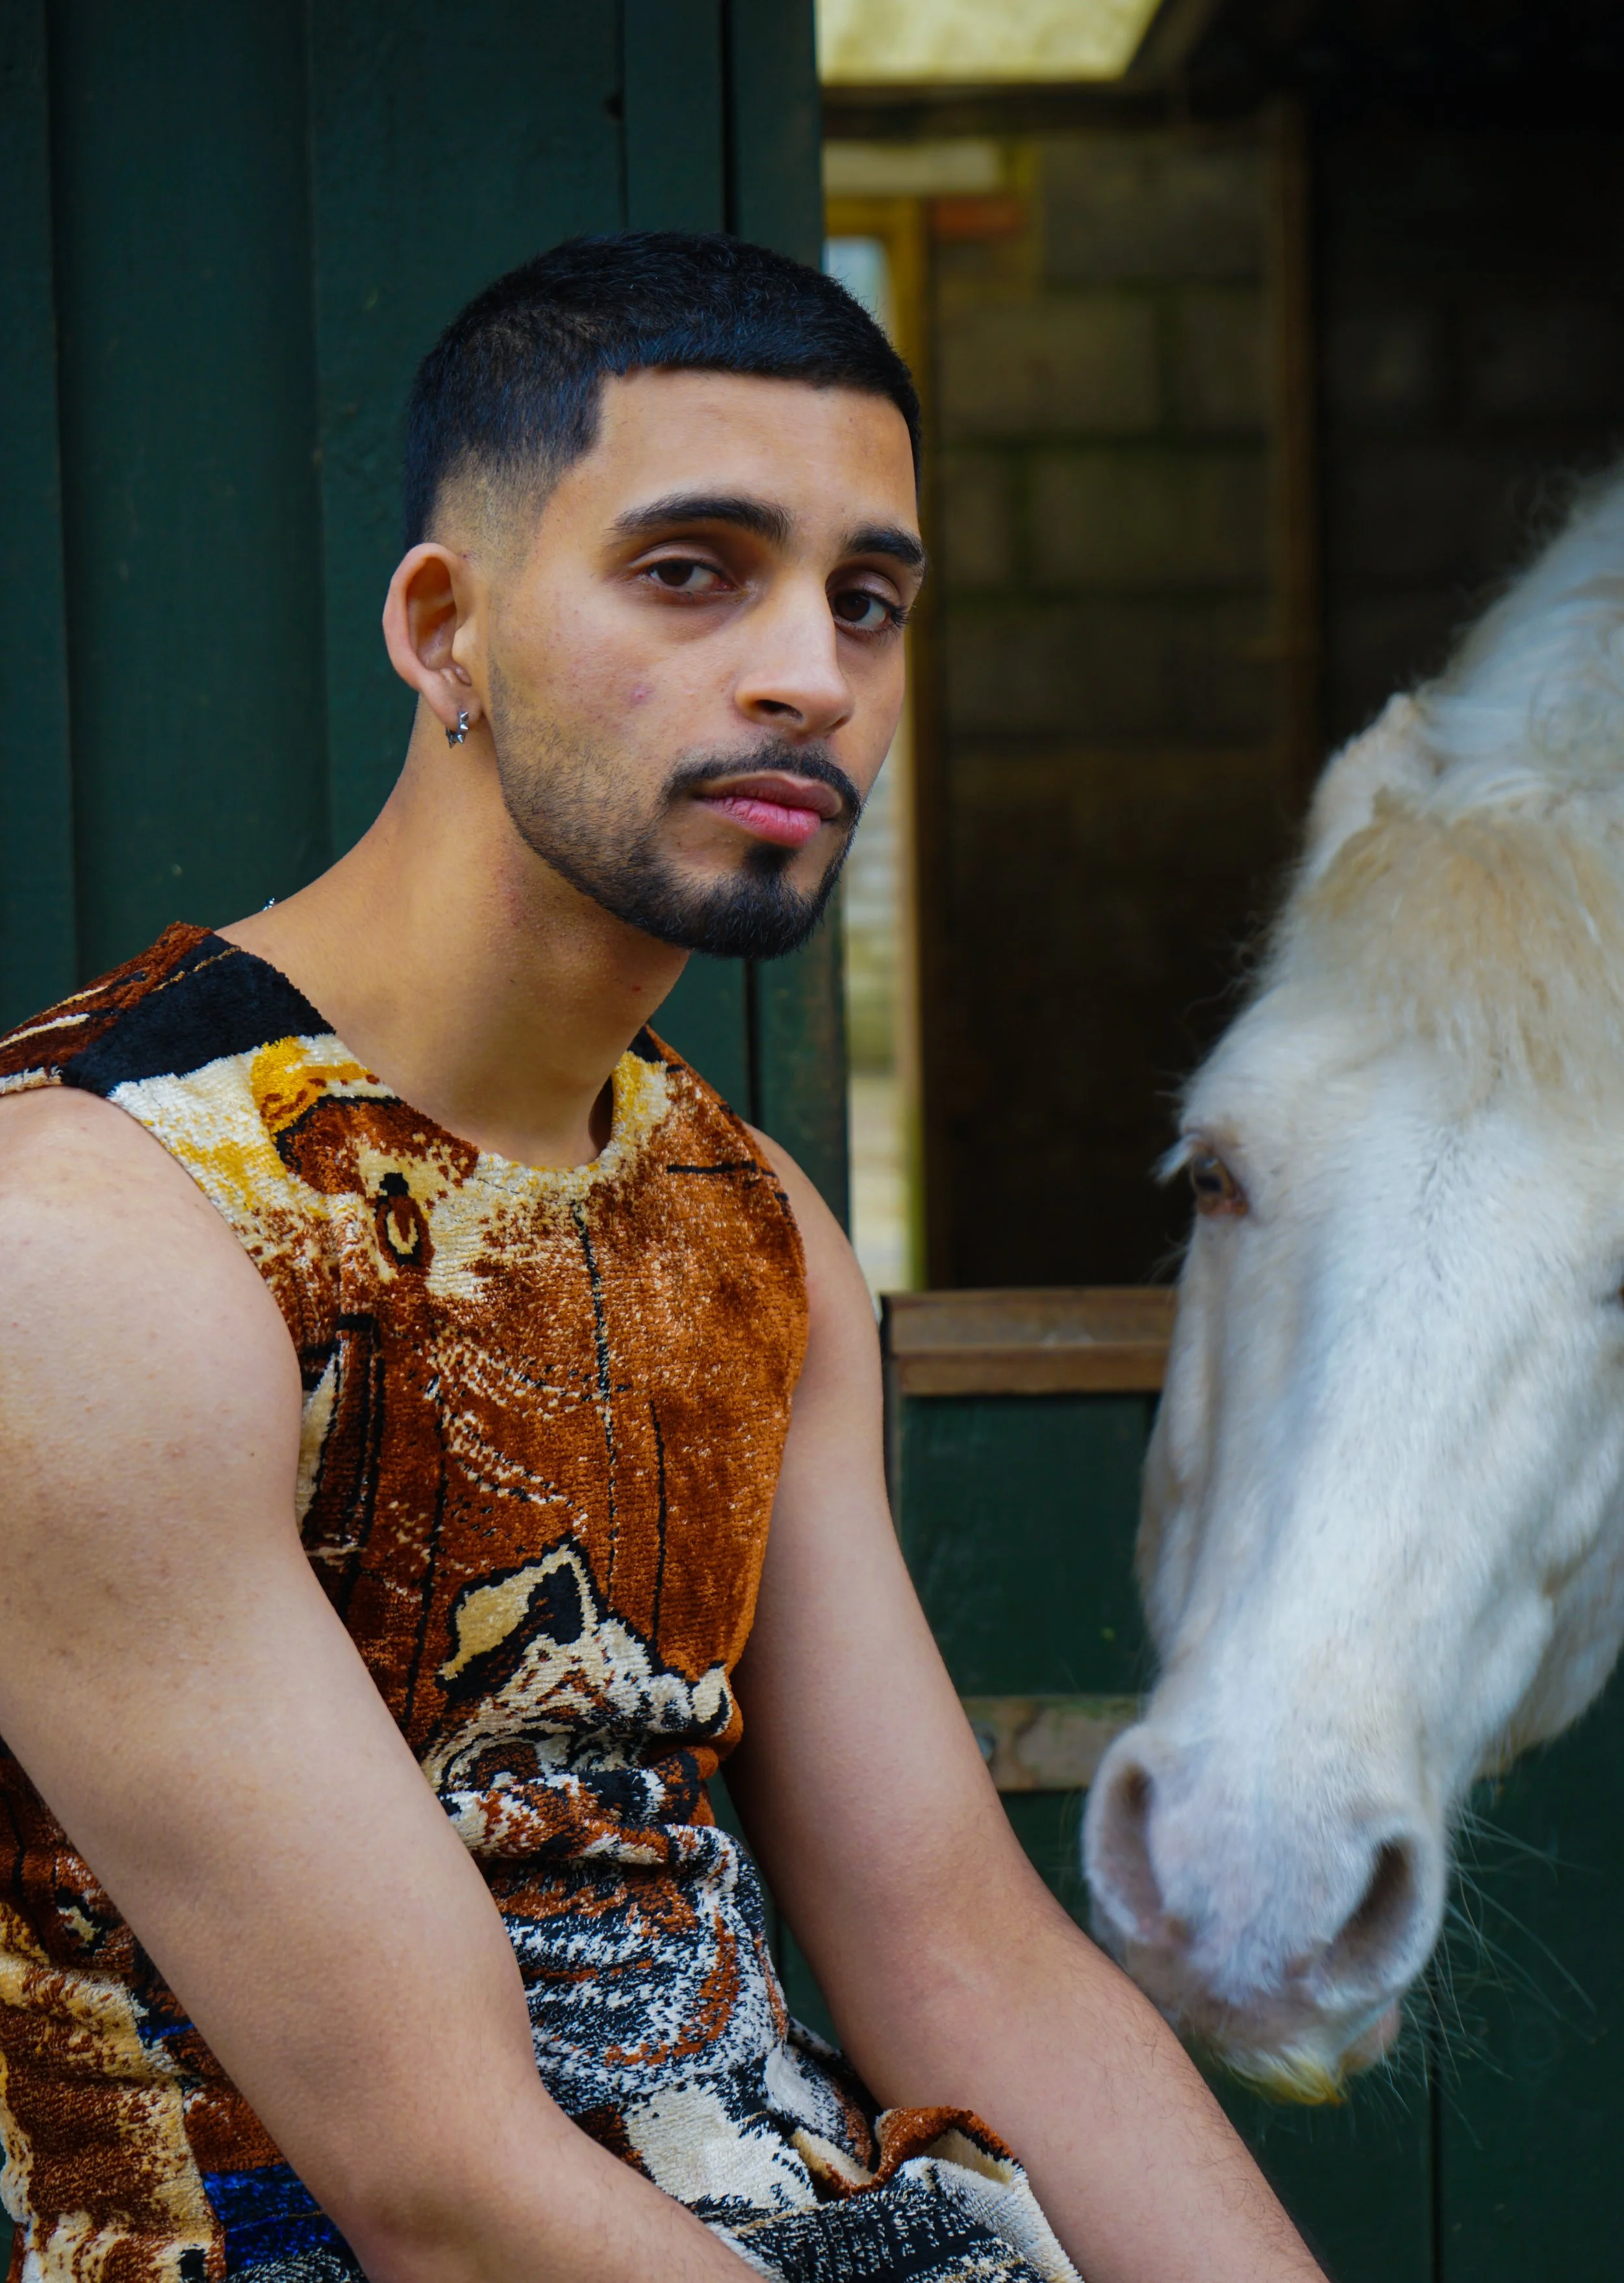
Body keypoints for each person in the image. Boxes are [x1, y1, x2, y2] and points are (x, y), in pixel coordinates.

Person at [0, 233, 1323, 2283]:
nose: (809, 669)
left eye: (865, 602)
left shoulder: (745, 1221)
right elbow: (442, 2192)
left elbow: (956, 1947)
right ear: (447, 631)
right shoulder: (92, 1234)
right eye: (692, 571)